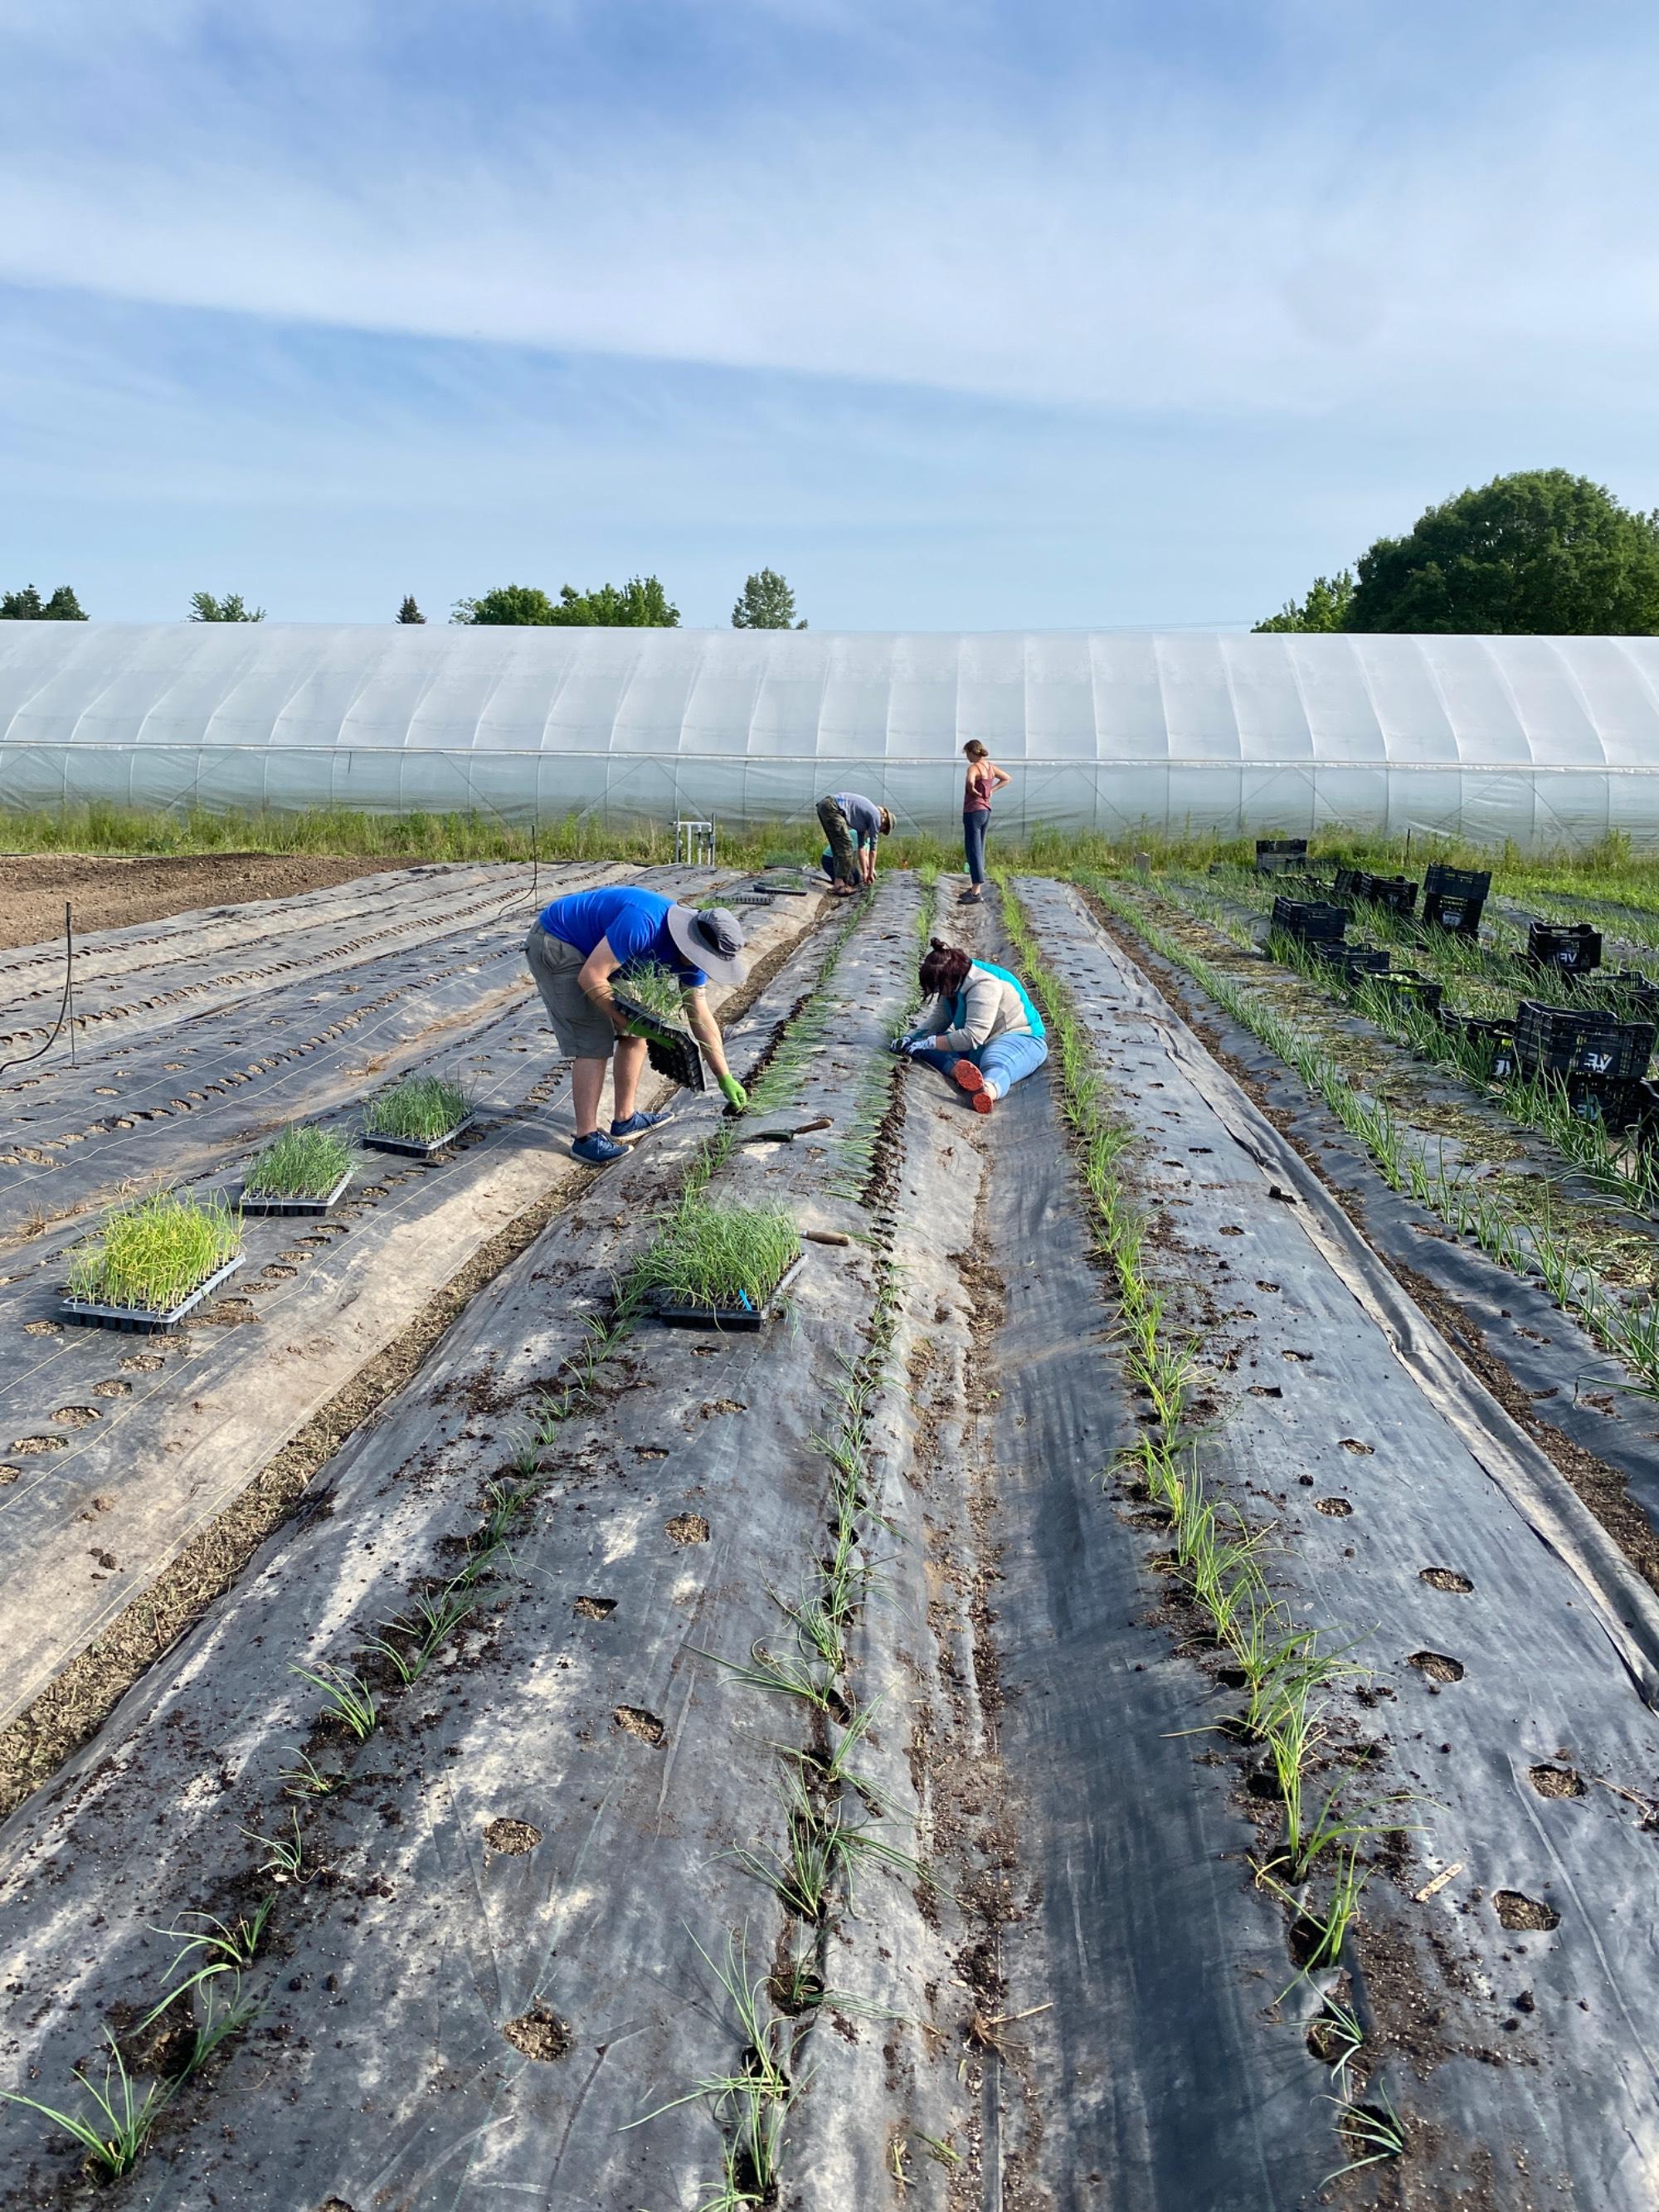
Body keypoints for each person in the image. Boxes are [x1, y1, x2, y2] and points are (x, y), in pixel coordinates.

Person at [524, 886, 749, 1162]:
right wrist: (621, 1017)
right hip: (559, 942)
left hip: (604, 953)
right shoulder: (644, 923)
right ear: (692, 943)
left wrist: (724, 1076)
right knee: (593, 1041)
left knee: (636, 1032)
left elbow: (699, 1014)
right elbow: (591, 977)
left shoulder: (699, 956)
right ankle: (585, 1139)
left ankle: (625, 1119)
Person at [893, 938, 1047, 1112]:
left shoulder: (984, 985)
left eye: (937, 988)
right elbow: (938, 1021)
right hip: (979, 1046)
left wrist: (932, 1041)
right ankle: (960, 1072)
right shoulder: (953, 983)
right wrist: (911, 1039)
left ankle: (986, 1090)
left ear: (948, 978)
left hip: (1019, 1038)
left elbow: (973, 1036)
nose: (937, 992)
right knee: (923, 1048)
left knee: (996, 1060)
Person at [960, 741, 1010, 905]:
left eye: (967, 753)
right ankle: (976, 888)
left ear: (972, 752)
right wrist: (991, 791)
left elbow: (970, 781)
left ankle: (975, 892)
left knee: (973, 849)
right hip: (985, 811)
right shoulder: (989, 767)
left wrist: (973, 790)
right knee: (979, 848)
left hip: (973, 811)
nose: (967, 757)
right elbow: (1007, 778)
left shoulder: (974, 767)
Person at [815, 792, 893, 896]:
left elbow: (862, 849)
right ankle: (839, 886)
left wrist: (865, 873)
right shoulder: (876, 818)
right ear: (884, 822)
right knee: (846, 845)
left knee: (838, 846)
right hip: (832, 807)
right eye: (883, 830)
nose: (880, 831)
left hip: (825, 806)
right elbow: (873, 851)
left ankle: (839, 884)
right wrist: (870, 874)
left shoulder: (864, 822)